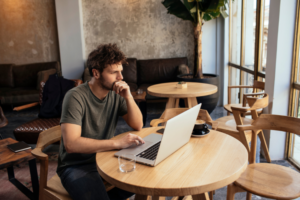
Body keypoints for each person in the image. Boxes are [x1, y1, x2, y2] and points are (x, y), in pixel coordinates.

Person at [57, 43, 145, 200]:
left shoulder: (116, 93)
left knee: (144, 180)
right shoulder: (75, 97)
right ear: (96, 73)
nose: (121, 78)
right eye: (114, 73)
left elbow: (137, 125)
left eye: (121, 72)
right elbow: (71, 144)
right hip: (76, 165)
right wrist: (117, 144)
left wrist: (129, 97)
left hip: (104, 158)